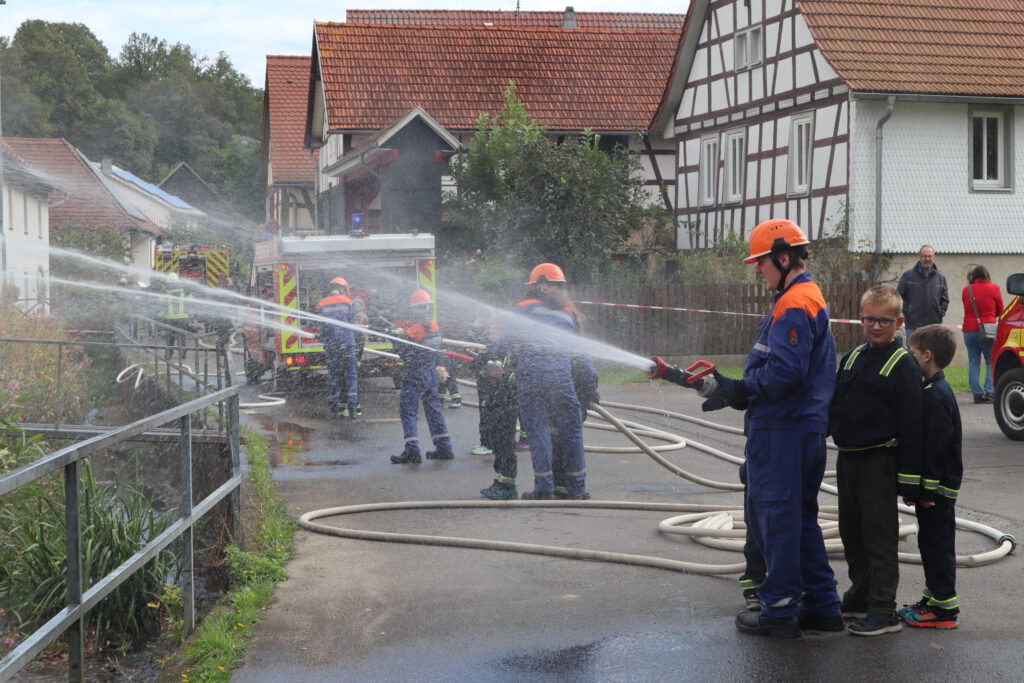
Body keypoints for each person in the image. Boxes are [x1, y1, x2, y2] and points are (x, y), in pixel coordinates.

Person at [651, 218, 842, 638]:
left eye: (761, 262)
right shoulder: (805, 297)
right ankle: (823, 606)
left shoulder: (794, 303)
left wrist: (741, 389)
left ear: (783, 257)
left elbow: (785, 374)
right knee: (802, 519)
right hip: (801, 429)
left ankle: (778, 611)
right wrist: (737, 389)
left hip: (783, 431)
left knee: (777, 521)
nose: (757, 270)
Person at [830, 285, 924, 636]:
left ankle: (884, 609)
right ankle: (861, 594)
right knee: (851, 532)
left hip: (880, 464)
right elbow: (835, 408)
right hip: (848, 461)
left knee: (878, 537)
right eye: (869, 319)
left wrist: (911, 480)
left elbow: (914, 425)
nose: (876, 327)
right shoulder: (851, 358)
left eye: (885, 321)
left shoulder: (904, 366)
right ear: (860, 318)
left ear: (898, 322)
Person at [507, 263, 596, 500]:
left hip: (533, 379)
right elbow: (582, 353)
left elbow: (508, 339)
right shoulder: (567, 313)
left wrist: (487, 355)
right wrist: (591, 384)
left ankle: (544, 487)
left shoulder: (524, 307)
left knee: (539, 432)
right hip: (562, 380)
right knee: (572, 431)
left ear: (538, 286)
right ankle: (578, 488)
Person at [900, 325, 963, 629]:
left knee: (938, 546)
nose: (910, 358)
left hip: (937, 492)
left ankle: (945, 610)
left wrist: (927, 492)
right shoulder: (931, 389)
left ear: (927, 356)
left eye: (912, 354)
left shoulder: (936, 395)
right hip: (933, 491)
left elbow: (936, 449)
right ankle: (932, 597)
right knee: (929, 543)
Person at [390, 289, 454, 464]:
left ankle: (412, 451)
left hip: (416, 374)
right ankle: (444, 447)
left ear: (415, 309)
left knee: (408, 412)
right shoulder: (434, 325)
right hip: (430, 373)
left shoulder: (414, 329)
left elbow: (403, 352)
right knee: (434, 411)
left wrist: (394, 336)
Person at [314, 277, 360, 417]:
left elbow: (321, 327)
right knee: (351, 374)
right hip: (347, 343)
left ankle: (334, 406)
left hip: (332, 344)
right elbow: (353, 322)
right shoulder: (349, 302)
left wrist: (322, 335)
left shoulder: (321, 304)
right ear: (342, 289)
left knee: (334, 374)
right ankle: (352, 407)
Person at [961, 265, 1003, 403]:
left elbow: (968, 309)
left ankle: (977, 394)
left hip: (969, 330)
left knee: (974, 361)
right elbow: (1000, 310)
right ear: (986, 275)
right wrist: (990, 316)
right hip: (988, 329)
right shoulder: (994, 288)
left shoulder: (967, 290)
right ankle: (990, 392)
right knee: (991, 360)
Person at [897, 245, 949, 342]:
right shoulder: (908, 276)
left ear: (934, 258)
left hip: (933, 326)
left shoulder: (940, 278)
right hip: (913, 325)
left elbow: (945, 300)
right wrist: (908, 312)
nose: (927, 259)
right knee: (913, 355)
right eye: (925, 256)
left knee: (932, 355)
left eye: (930, 256)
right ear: (919, 257)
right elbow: (899, 297)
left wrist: (939, 313)